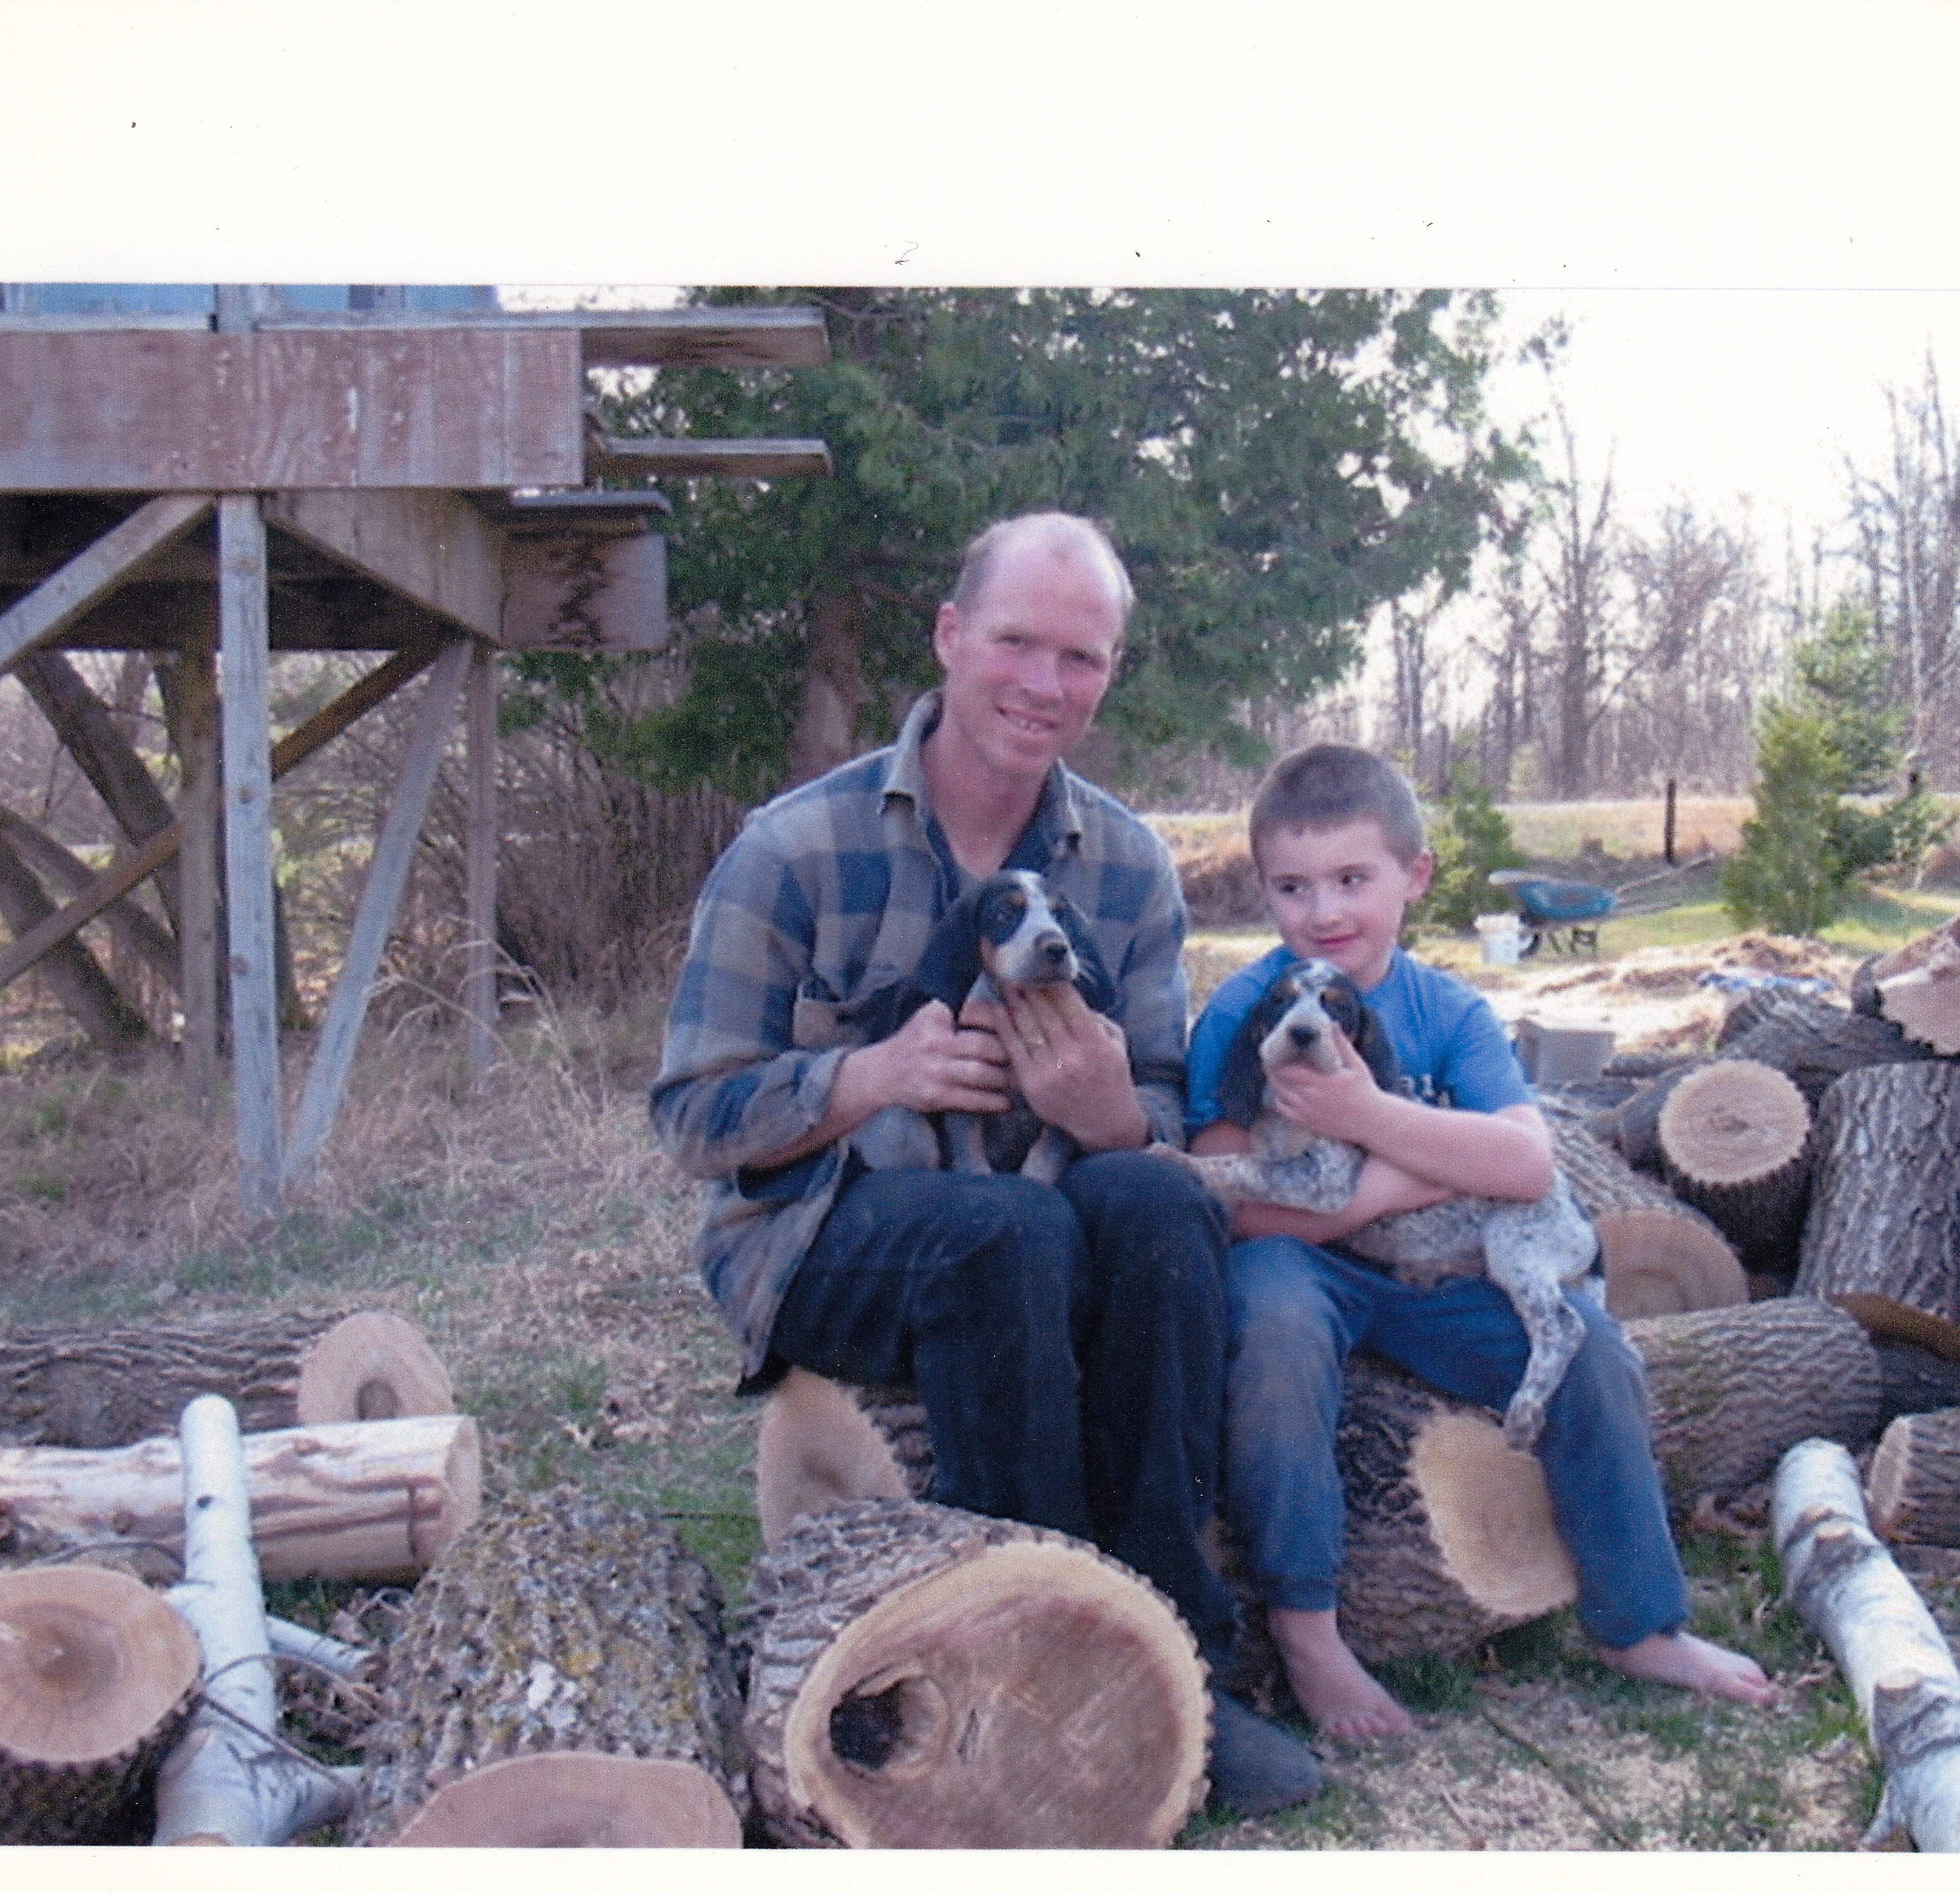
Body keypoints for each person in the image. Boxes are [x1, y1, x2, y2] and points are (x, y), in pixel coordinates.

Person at [652, 512, 1321, 1815]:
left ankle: (1182, 1662)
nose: (1043, 683)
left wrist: (1113, 1113)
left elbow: (1169, 1105)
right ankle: (1035, 1667)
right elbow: (690, 1114)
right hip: (818, 1234)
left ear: (1108, 674)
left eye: (1081, 658)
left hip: (1045, 1212)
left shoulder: (1125, 865)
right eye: (1016, 642)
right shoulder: (792, 848)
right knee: (1003, 1233)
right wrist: (866, 1079)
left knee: (1153, 1200)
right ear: (951, 636)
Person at [1185, 744, 1777, 1739]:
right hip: (1301, 1261)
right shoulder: (1246, 1013)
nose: (1323, 911)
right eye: (1293, 887)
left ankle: (1639, 1623)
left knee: (1591, 1351)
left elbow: (1527, 1166)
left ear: (1414, 876)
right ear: (1263, 891)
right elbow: (1225, 1196)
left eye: (1352, 879)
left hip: (1438, 1274)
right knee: (1275, 1330)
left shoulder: (1450, 1011)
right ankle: (1307, 1631)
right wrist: (1402, 1180)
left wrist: (1366, 1117)